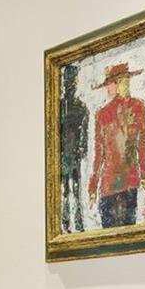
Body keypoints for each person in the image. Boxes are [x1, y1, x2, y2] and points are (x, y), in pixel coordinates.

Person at [89, 62, 145, 228]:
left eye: (127, 80)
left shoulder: (137, 107)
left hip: (123, 183)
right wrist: (92, 186)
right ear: (115, 85)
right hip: (114, 184)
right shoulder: (104, 113)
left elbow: (142, 146)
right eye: (122, 81)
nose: (126, 84)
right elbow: (99, 153)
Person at [57, 65, 90, 233]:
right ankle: (71, 223)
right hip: (66, 155)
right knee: (69, 190)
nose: (73, 84)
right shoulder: (72, 107)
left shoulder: (78, 107)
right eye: (73, 80)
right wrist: (81, 149)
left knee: (71, 190)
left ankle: (72, 223)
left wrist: (81, 150)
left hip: (69, 155)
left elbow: (84, 136)